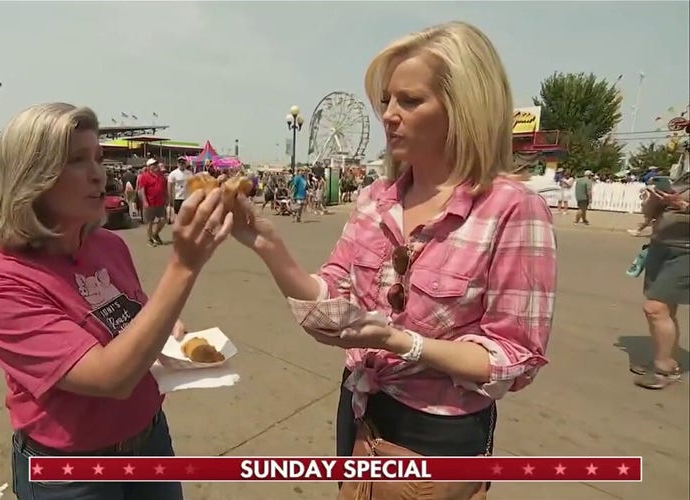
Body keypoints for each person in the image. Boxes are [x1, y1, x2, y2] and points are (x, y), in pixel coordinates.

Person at [229, 21, 555, 496]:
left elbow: (515, 358)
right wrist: (267, 246)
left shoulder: (511, 208)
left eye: (410, 100)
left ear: (462, 107)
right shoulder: (374, 198)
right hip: (359, 406)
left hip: (435, 432)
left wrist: (406, 343)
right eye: (385, 100)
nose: (388, 115)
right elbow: (332, 305)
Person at [0, 102, 233, 500]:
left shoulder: (107, 244)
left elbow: (134, 314)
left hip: (149, 440)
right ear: (29, 178)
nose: (98, 174)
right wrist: (184, 266)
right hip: (72, 471)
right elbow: (109, 378)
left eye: (98, 158)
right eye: (76, 160)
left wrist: (169, 329)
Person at [632, 172, 690, 389]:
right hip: (660, 249)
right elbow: (649, 214)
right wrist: (654, 200)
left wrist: (682, 204)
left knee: (654, 308)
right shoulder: (682, 179)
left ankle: (664, 368)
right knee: (666, 310)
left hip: (685, 253)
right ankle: (665, 356)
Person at [137, 158, 168, 247]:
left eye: (156, 164)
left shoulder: (161, 176)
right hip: (150, 203)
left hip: (160, 202)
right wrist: (145, 201)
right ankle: (150, 239)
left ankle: (155, 234)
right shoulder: (144, 176)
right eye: (153, 165)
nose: (156, 166)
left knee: (163, 220)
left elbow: (164, 189)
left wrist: (167, 198)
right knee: (149, 222)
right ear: (149, 167)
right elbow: (142, 190)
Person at [167, 158, 193, 223]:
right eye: (180, 163)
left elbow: (193, 184)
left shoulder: (189, 173)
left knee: (186, 215)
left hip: (187, 197)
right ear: (177, 164)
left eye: (183, 163)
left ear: (185, 164)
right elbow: (169, 185)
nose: (181, 164)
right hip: (178, 197)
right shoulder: (173, 173)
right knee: (178, 215)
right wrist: (170, 197)